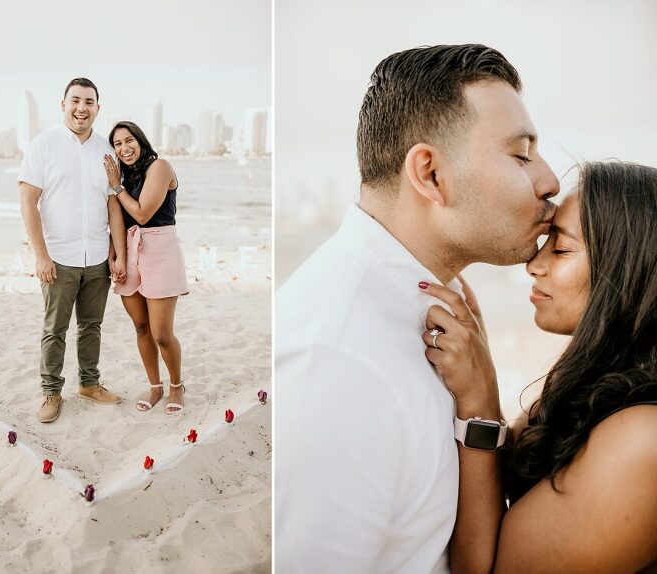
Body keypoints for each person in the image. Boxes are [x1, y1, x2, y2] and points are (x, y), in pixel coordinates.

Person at [275, 44, 559, 573]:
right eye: (521, 155)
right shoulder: (337, 361)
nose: (549, 181)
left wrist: (482, 405)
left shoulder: (433, 309)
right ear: (430, 174)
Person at [421, 161, 657, 573]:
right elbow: (500, 471)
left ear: (628, 271)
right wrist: (479, 359)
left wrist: (480, 400)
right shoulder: (593, 385)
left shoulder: (643, 440)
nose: (533, 264)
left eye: (561, 249)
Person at [18, 78, 126, 424]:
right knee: (55, 328)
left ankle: (89, 385)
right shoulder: (43, 145)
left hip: (97, 256)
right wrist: (40, 255)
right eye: (75, 100)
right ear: (63, 104)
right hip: (59, 257)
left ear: (98, 108)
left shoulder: (106, 150)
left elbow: (113, 204)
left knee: (92, 325)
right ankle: (51, 392)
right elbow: (28, 201)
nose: (82, 108)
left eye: (89, 102)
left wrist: (117, 253)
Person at [104, 121, 189, 414]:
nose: (124, 148)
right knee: (141, 326)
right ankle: (155, 386)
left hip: (160, 249)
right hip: (129, 249)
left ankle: (176, 386)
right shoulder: (122, 177)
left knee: (161, 333)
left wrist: (116, 186)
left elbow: (141, 214)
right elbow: (115, 219)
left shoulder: (160, 167)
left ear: (140, 141)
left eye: (129, 140)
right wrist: (114, 256)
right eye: (117, 144)